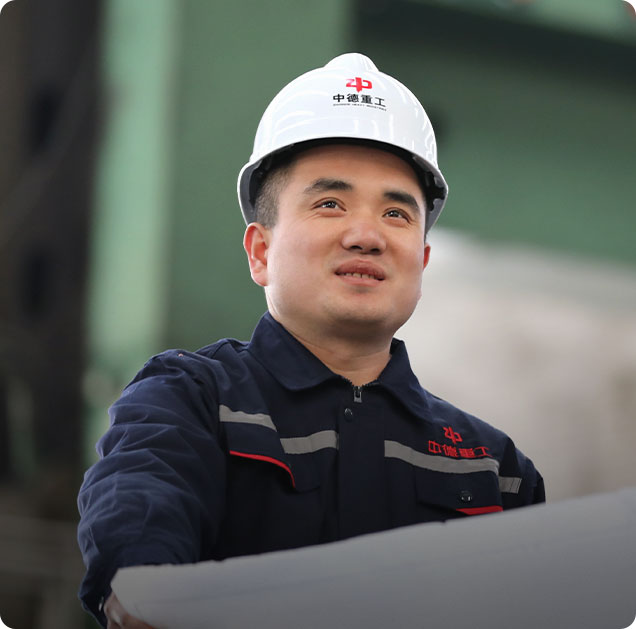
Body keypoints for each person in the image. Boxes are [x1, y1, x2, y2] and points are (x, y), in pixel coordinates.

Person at [77, 53, 545, 628]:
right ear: (260, 251)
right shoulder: (190, 403)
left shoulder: (493, 468)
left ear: (422, 260)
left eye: (397, 214)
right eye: (330, 204)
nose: (366, 235)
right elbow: (140, 571)